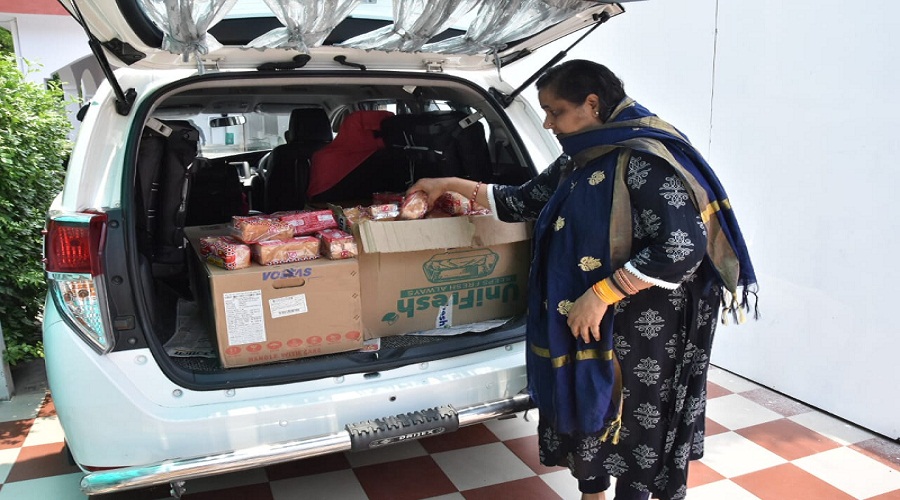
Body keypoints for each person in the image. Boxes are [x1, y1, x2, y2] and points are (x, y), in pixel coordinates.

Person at [407, 60, 757, 500]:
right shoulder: (583, 154)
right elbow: (523, 200)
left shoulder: (644, 160)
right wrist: (449, 184)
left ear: (591, 104)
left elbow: (682, 247)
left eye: (554, 111)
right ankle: (591, 493)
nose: (549, 123)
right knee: (585, 405)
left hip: (645, 324)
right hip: (582, 316)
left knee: (634, 419)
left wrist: (602, 293)